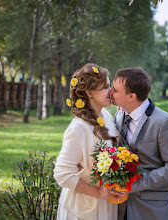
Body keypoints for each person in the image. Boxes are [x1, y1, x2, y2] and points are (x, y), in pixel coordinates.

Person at [109, 67, 168, 220]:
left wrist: (133, 184)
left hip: (153, 208)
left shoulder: (165, 122)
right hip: (120, 207)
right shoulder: (119, 115)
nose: (110, 92)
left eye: (115, 90)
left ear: (131, 96)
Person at [54, 63, 124, 220]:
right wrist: (98, 192)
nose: (111, 91)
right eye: (105, 87)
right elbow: (62, 174)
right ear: (89, 92)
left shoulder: (105, 115)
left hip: (107, 204)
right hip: (82, 210)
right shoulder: (78, 128)